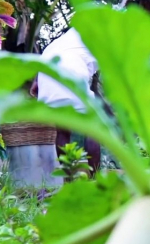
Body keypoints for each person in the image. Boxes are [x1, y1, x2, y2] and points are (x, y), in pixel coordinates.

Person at [29, 27, 102, 176]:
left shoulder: (64, 39)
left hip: (47, 70)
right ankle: (96, 181)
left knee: (62, 130)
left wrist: (37, 83)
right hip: (71, 67)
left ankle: (68, 179)